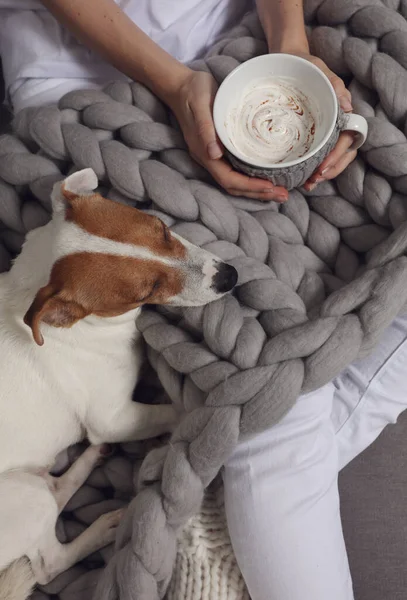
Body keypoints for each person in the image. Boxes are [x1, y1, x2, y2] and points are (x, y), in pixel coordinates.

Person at [1, 2, 407, 599]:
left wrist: (290, 42)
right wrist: (174, 84)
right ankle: (249, 487)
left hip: (248, 31)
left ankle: (223, 510)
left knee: (276, 391)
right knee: (268, 401)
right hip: (87, 79)